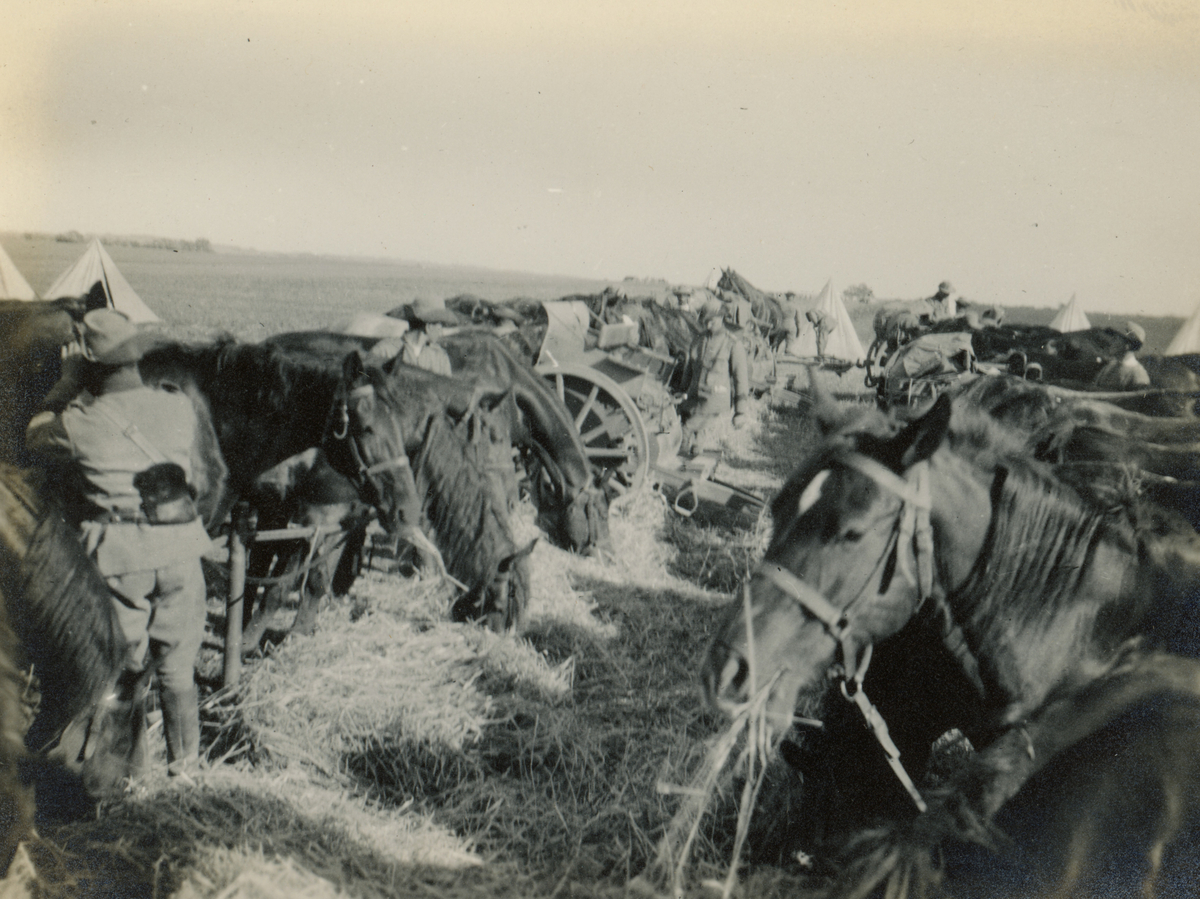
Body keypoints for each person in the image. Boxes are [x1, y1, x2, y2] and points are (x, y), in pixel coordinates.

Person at [25, 309, 213, 779]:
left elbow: (33, 437)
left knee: (119, 674)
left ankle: (111, 778)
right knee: (177, 670)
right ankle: (186, 774)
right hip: (181, 551)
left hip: (121, 558)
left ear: (90, 365)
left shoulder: (78, 423)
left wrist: (66, 383)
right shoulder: (177, 406)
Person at [677, 299, 750, 455]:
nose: (708, 325)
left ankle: (683, 457)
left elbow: (741, 379)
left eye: (712, 321)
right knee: (688, 427)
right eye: (705, 322)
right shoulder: (698, 340)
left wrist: (740, 412)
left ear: (721, 318)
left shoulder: (732, 344)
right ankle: (691, 459)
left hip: (715, 400)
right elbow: (689, 369)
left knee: (687, 429)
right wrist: (682, 390)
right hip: (695, 397)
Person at [372, 297, 458, 375]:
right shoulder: (385, 351)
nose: (441, 332)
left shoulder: (440, 358)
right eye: (441, 325)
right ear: (429, 327)